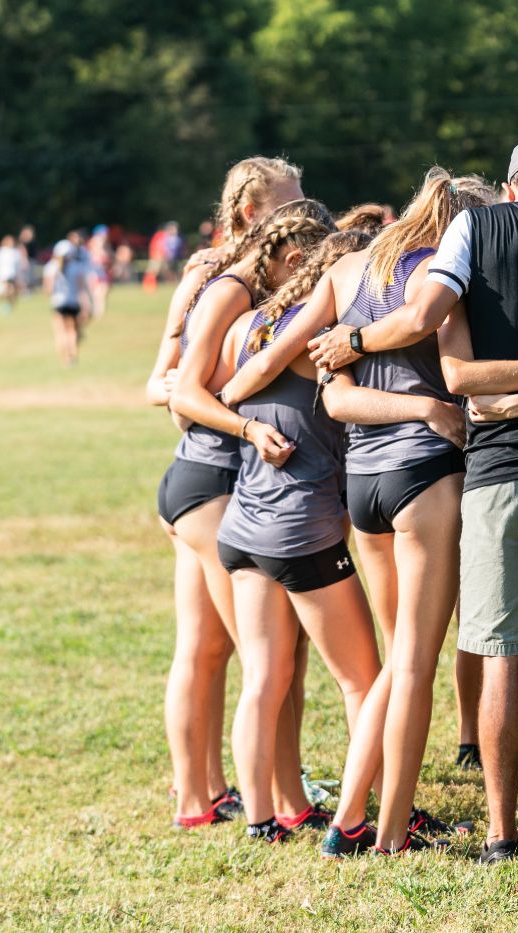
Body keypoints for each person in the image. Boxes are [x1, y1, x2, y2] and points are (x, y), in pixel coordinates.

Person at [309, 133, 518, 863]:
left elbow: (440, 341)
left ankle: (499, 833)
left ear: (512, 184)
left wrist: (358, 341)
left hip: (490, 472)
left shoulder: (470, 227)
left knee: (498, 655)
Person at [223, 168, 494, 856]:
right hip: (425, 476)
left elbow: (330, 393)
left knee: (396, 662)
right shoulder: (447, 268)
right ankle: (388, 833)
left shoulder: (347, 268)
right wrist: (431, 407)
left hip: (364, 484)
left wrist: (236, 390)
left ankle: (348, 820)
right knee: (413, 666)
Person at [171, 207, 387, 846]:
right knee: (364, 680)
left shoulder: (243, 327)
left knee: (264, 678)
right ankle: (365, 811)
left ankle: (263, 819)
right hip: (302, 530)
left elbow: (198, 394)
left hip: (241, 526)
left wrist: (245, 425)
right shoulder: (316, 339)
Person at [146, 157, 304, 830]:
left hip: (202, 479)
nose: (303, 216)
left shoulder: (264, 275)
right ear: (250, 212)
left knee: (209, 647)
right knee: (273, 656)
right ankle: (281, 800)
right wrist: (218, 408)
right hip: (212, 479)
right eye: (290, 205)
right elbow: (164, 383)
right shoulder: (217, 277)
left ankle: (202, 796)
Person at [44, 237, 91, 366]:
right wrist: (86, 305)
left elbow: (48, 289)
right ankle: (73, 356)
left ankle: (65, 358)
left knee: (60, 331)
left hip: (58, 303)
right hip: (73, 302)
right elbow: (82, 290)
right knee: (72, 331)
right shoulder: (76, 267)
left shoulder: (50, 267)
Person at [0, 234, 26, 315]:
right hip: (3, 273)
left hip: (13, 273)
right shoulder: (1, 251)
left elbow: (18, 264)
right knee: (6, 289)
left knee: (13, 290)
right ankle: (7, 304)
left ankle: (11, 304)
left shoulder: (15, 252)